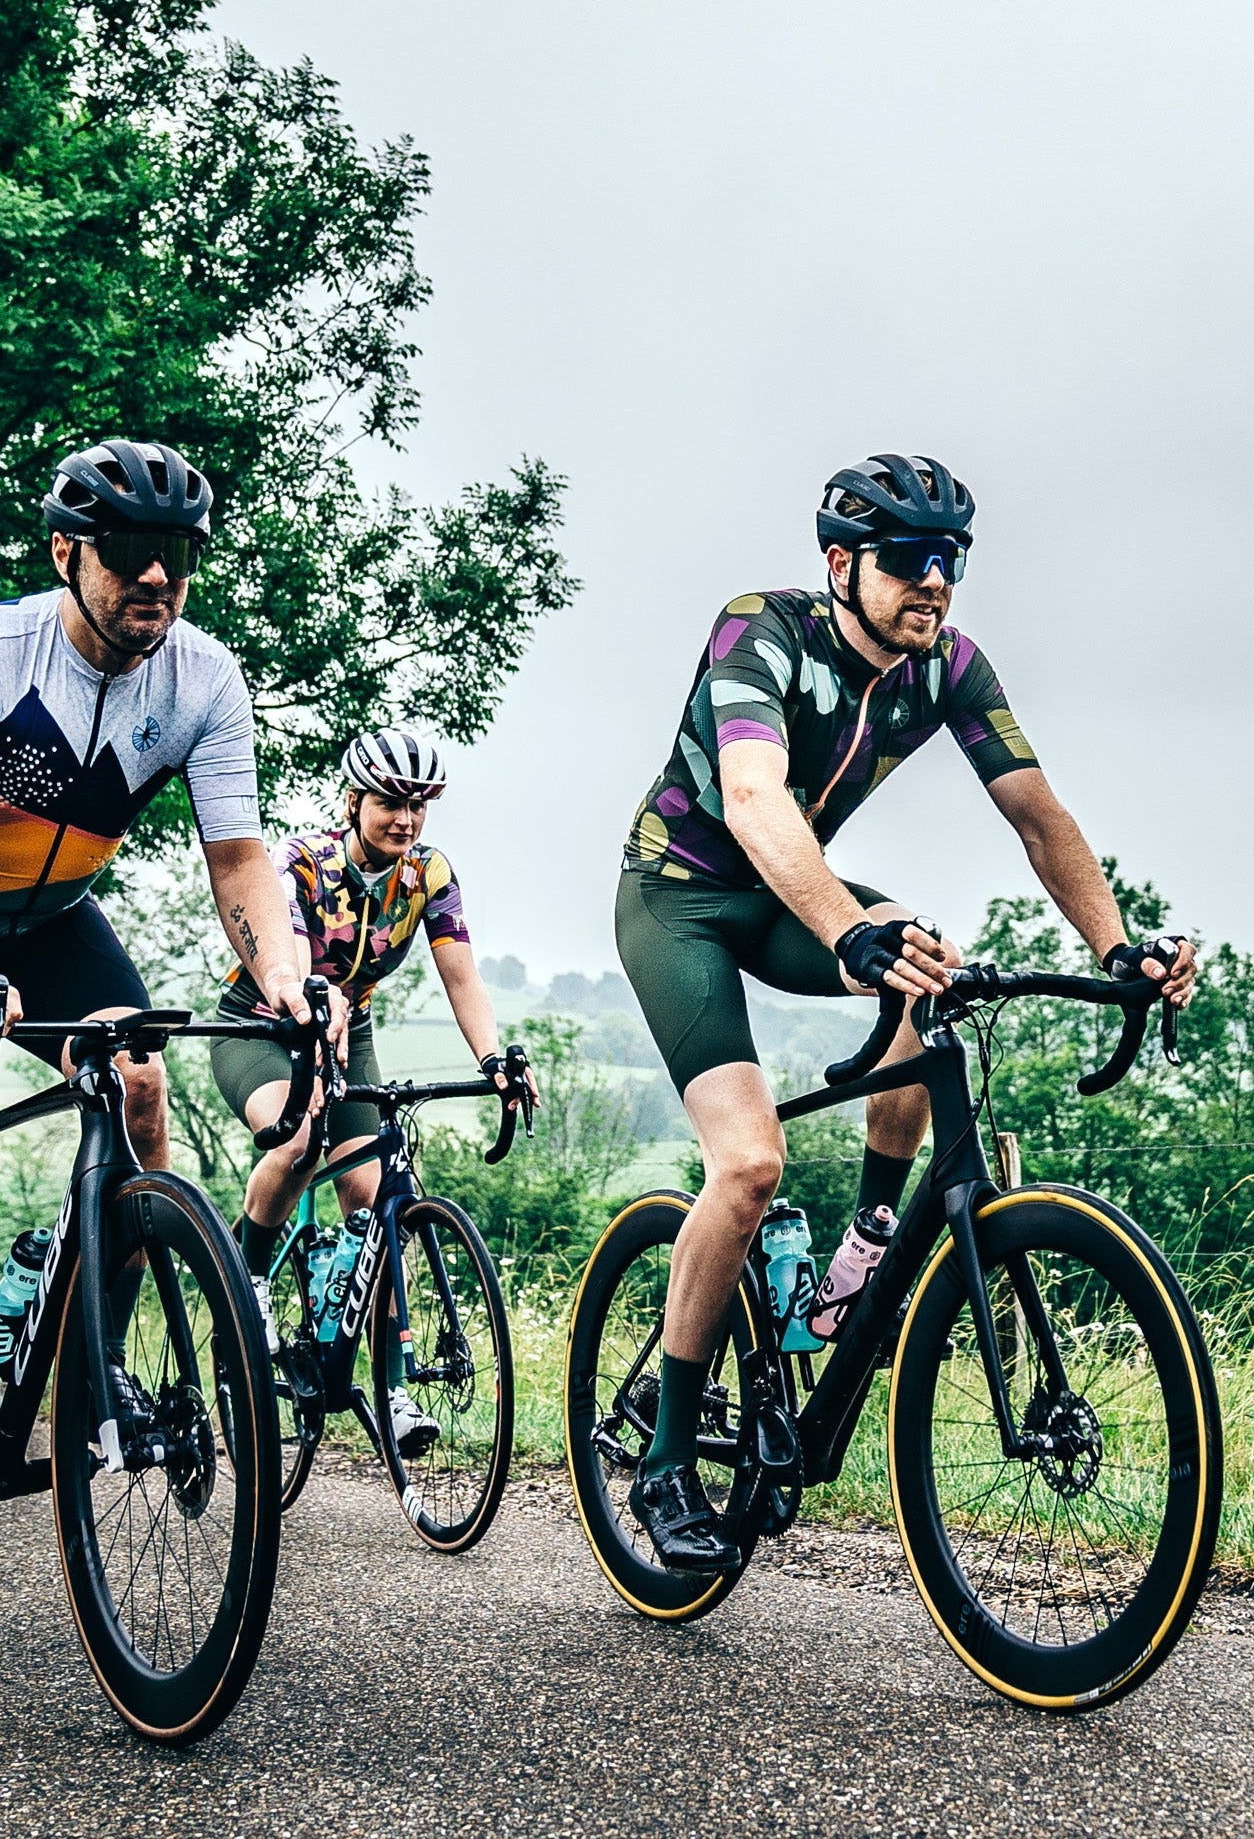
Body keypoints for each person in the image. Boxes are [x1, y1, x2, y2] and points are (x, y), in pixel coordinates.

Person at [612, 452, 1196, 1571]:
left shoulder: (954, 666)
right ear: (842, 562)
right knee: (746, 1167)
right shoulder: (761, 630)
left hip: (792, 895)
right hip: (681, 898)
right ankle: (670, 1459)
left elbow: (1039, 816)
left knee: (935, 966)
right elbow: (751, 796)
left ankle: (871, 1241)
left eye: (953, 562)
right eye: (910, 561)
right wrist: (848, 930)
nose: (936, 583)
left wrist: (1118, 945)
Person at [0, 438, 337, 1521]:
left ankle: (91, 1373)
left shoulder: (205, 678)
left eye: (179, 554)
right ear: (67, 553)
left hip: (50, 917)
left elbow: (239, 859)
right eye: (130, 549)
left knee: (139, 1084)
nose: (157, 575)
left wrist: (284, 974)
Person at [208, 725, 534, 1454]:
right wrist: (313, 1013)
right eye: (390, 801)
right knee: (297, 1141)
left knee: (378, 1193)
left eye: (419, 806)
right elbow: (290, 955)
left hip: (350, 1031)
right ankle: (249, 1280)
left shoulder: (429, 874)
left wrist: (493, 1060)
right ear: (353, 799)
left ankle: (392, 1389)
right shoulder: (301, 863)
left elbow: (461, 974)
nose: (405, 819)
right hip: (261, 1029)